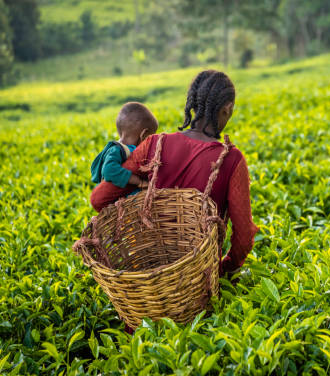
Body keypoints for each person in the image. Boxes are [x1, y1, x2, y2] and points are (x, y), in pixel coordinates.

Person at [90, 70, 258, 277]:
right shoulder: (231, 160)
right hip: (200, 274)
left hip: (149, 271)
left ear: (193, 103)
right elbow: (244, 236)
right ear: (228, 108)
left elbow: (99, 199)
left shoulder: (154, 144)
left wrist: (139, 196)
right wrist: (225, 267)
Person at [91, 102, 158, 191]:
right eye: (149, 138)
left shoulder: (130, 149)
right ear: (143, 134)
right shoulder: (117, 150)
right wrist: (139, 182)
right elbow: (109, 171)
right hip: (116, 202)